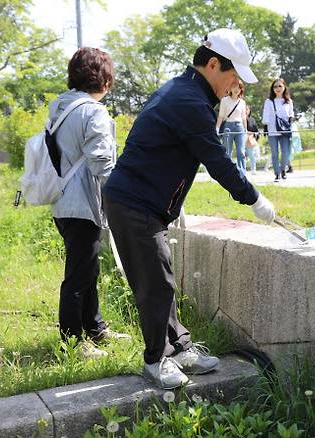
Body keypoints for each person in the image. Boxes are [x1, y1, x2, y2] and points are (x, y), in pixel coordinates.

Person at [103, 28, 276, 390]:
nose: (234, 85)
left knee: (160, 276)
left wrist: (223, 108)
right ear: (213, 64)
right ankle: (155, 360)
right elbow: (218, 160)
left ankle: (179, 348)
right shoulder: (188, 101)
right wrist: (254, 199)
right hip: (134, 202)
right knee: (155, 282)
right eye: (233, 76)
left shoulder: (187, 93)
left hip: (142, 201)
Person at [50, 47, 129, 359]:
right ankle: (72, 343)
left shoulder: (60, 107)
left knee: (87, 268)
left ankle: (94, 327)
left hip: (62, 202)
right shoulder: (93, 111)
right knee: (79, 275)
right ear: (105, 80)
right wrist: (121, 196)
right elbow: (101, 163)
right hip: (82, 202)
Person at [263, 78, 294, 182]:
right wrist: (265, 128)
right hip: (272, 130)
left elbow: (291, 115)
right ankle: (277, 173)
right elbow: (265, 115)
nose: (278, 88)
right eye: (275, 86)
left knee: (286, 152)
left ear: (284, 87)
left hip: (285, 131)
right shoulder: (269, 101)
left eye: (280, 86)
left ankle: (283, 170)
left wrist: (290, 127)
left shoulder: (288, 101)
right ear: (272, 88)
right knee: (274, 153)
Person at [216, 79, 247, 173]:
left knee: (241, 152)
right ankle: (228, 172)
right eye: (234, 87)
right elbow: (221, 116)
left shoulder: (242, 102)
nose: (236, 89)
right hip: (228, 127)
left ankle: (242, 173)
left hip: (239, 127)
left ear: (241, 89)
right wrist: (217, 128)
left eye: (239, 87)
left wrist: (246, 130)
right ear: (230, 88)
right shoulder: (225, 100)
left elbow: (244, 117)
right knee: (227, 151)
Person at [245, 105, 260, 174]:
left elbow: (256, 130)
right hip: (242, 138)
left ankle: (253, 169)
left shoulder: (252, 120)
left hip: (251, 139)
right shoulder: (239, 119)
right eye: (244, 109)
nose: (246, 111)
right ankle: (242, 169)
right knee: (242, 155)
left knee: (252, 155)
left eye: (247, 109)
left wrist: (253, 135)